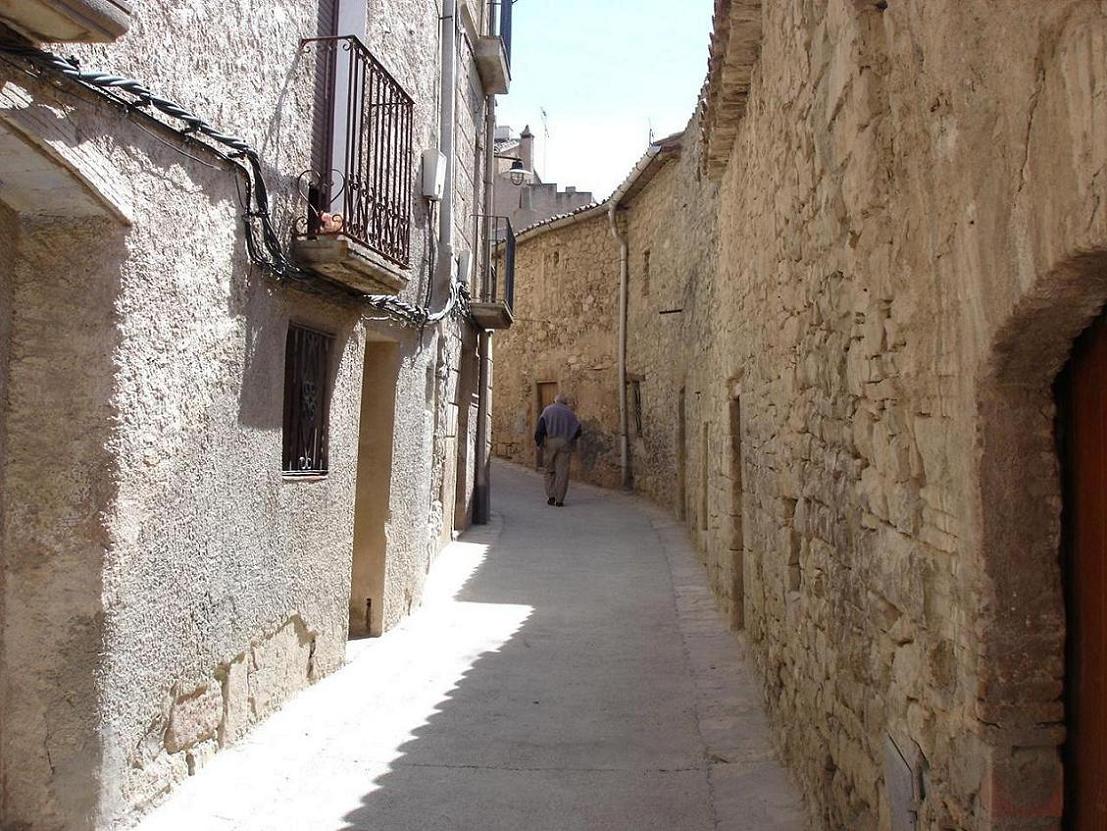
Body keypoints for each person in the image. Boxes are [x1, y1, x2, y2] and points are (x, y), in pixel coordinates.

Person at [534, 393, 582, 506]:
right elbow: (578, 430)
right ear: (565, 402)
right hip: (565, 442)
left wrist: (539, 442)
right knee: (562, 472)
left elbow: (540, 428)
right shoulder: (570, 413)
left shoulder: (547, 410)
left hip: (550, 441)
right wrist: (571, 438)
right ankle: (559, 500)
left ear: (555, 401)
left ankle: (551, 496)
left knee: (549, 470)